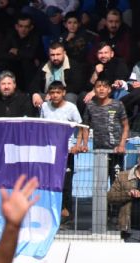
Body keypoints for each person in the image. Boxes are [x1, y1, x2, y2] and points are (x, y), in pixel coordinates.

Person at [41, 80, 87, 227]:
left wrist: (78, 145)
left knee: (66, 184)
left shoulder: (71, 108)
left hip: (66, 152)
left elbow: (81, 127)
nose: (55, 95)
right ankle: (50, 212)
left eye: (58, 92)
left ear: (63, 93)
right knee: (49, 182)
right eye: (52, 92)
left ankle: (66, 214)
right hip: (48, 152)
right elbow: (41, 126)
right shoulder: (44, 107)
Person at [81, 77, 129, 187]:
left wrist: (122, 145)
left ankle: (114, 205)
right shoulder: (90, 105)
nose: (101, 89)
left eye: (105, 87)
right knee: (99, 184)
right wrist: (84, 144)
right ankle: (101, 205)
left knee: (117, 184)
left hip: (116, 151)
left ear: (109, 90)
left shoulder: (118, 104)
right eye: (98, 86)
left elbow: (125, 126)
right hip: (99, 151)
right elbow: (85, 127)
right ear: (94, 89)